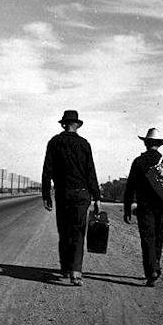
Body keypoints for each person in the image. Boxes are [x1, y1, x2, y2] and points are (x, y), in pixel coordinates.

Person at [42, 110, 100, 286]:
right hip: (82, 193)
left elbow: (47, 170)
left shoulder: (54, 142)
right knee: (78, 231)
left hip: (63, 193)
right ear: (77, 125)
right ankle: (76, 271)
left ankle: (66, 268)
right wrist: (97, 196)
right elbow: (91, 172)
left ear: (63, 124)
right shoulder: (84, 144)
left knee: (64, 231)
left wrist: (46, 195)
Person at [123, 128, 163, 287]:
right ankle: (155, 265)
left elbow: (130, 186)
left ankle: (152, 270)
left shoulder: (138, 162)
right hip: (162, 207)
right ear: (159, 144)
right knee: (158, 238)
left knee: (147, 239)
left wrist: (127, 208)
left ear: (145, 143)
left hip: (145, 207)